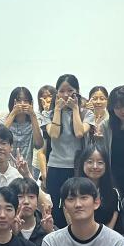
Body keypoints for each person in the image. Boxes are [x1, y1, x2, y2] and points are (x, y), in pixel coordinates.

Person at [43, 74, 90, 227]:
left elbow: (79, 132)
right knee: (56, 208)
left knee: (77, 207)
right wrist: (57, 110)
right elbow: (54, 134)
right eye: (62, 91)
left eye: (70, 90)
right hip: (56, 167)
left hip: (78, 168)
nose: (66, 95)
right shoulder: (48, 114)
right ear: (56, 93)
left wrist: (75, 109)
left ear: (77, 91)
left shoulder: (86, 113)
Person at [72, 144, 120, 230]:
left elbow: (112, 221)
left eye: (100, 162)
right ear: (82, 164)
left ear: (106, 166)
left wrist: (101, 237)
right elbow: (68, 215)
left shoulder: (113, 192)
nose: (95, 166)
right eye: (90, 162)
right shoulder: (71, 189)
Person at [4, 87, 44, 179]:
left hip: (27, 171)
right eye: (18, 101)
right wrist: (13, 113)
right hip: (6, 171)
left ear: (31, 103)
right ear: (12, 102)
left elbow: (39, 144)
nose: (22, 104)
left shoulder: (34, 120)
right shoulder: (4, 118)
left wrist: (32, 115)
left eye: (26, 101)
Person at [9, 177, 55, 246]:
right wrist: (12, 234)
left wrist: (50, 232)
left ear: (37, 200)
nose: (26, 202)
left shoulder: (47, 225)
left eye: (31, 196)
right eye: (20, 196)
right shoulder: (4, 226)